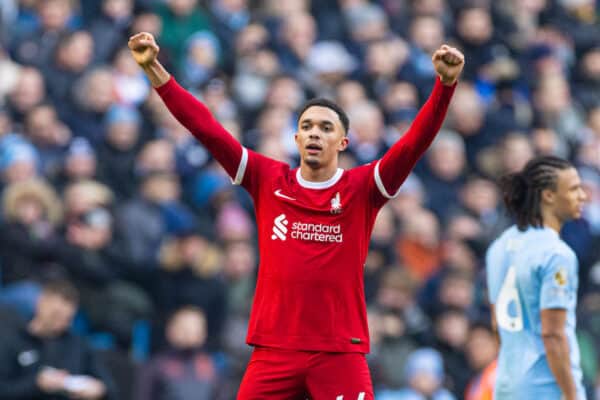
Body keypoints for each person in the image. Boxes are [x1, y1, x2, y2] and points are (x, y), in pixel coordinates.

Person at [128, 31, 464, 399]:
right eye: (306, 127)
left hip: (338, 349)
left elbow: (414, 143)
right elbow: (206, 127)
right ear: (297, 140)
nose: (314, 133)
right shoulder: (267, 178)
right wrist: (154, 69)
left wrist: (444, 87)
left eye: (325, 127)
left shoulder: (363, 187)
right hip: (275, 348)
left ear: (343, 142)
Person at [486, 156, 588, 400]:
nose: (582, 196)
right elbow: (553, 334)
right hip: (547, 388)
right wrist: (571, 394)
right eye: (574, 189)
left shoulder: (499, 247)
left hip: (507, 385)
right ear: (548, 196)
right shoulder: (556, 254)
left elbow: (496, 325)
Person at [0, 280, 117, 399]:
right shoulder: (13, 339)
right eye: (55, 315)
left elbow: (109, 389)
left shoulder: (78, 345)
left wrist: (99, 391)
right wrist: (36, 384)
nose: (60, 324)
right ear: (41, 302)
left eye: (67, 319)